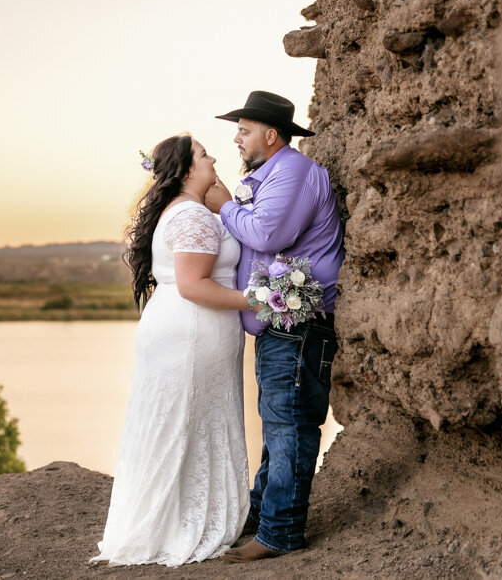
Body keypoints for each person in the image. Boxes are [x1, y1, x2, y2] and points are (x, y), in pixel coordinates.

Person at [91, 133, 251, 567]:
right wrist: (260, 299)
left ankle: (167, 516)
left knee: (178, 420)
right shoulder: (194, 217)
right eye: (203, 155)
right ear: (185, 171)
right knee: (189, 420)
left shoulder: (179, 211)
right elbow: (194, 285)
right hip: (193, 330)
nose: (213, 157)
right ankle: (187, 522)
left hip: (175, 328)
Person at [204, 90, 345, 563]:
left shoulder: (295, 171)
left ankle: (280, 533)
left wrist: (224, 205)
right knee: (279, 424)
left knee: (291, 427)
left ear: (270, 134)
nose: (236, 139)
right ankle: (263, 514)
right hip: (280, 324)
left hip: (298, 323)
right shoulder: (274, 173)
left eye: (243, 130)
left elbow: (268, 234)